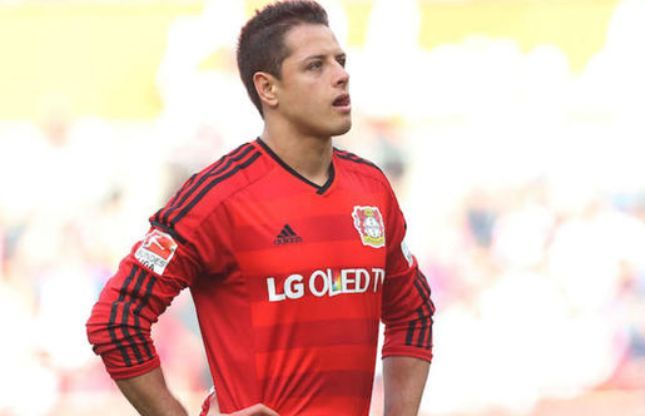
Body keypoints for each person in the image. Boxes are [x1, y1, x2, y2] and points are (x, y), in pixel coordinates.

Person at [85, 1, 435, 415]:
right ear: (268, 89)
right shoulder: (217, 196)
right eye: (315, 66)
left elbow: (413, 313)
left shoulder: (371, 188)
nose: (341, 75)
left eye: (340, 61)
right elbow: (116, 319)